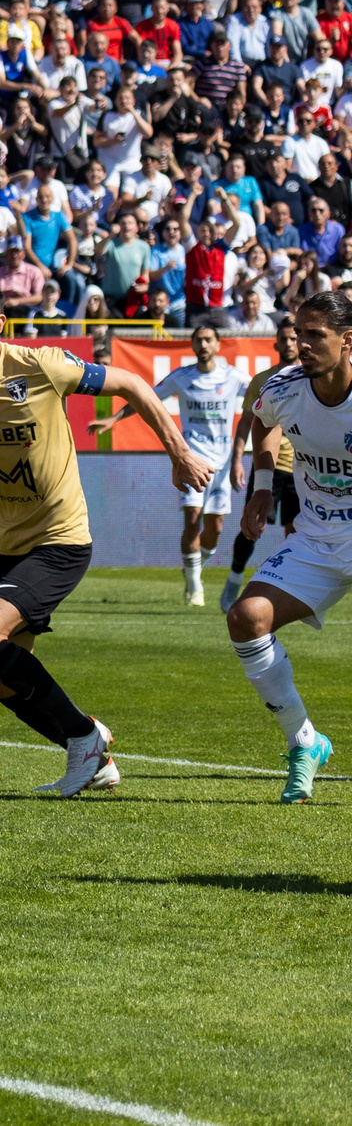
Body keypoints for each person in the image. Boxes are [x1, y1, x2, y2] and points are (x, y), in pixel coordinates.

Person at [0, 275, 209, 795]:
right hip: (9, 547)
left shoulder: (40, 365)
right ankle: (93, 754)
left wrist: (179, 452)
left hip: (61, 539)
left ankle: (83, 735)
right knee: (0, 676)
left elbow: (133, 385)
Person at [231, 291, 352, 802]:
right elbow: (262, 424)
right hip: (320, 538)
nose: (301, 344)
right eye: (298, 333)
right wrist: (262, 486)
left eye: (315, 335)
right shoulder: (282, 386)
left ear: (348, 341)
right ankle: (304, 741)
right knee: (246, 617)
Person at [91, 322, 248, 605]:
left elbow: (262, 394)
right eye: (198, 340)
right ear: (192, 345)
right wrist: (114, 419)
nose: (203, 345)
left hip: (222, 467)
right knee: (191, 520)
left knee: (216, 529)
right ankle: (195, 587)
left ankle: (192, 566)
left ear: (218, 344)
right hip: (192, 459)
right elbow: (146, 400)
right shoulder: (181, 377)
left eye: (208, 340)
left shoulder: (233, 377)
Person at [223, 319, 300, 612]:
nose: (291, 343)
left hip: (302, 469)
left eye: (295, 338)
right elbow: (246, 423)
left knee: (295, 533)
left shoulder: (313, 379)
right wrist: (236, 461)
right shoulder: (264, 380)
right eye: (285, 338)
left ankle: (291, 588)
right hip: (268, 466)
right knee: (252, 526)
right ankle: (234, 577)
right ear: (276, 344)